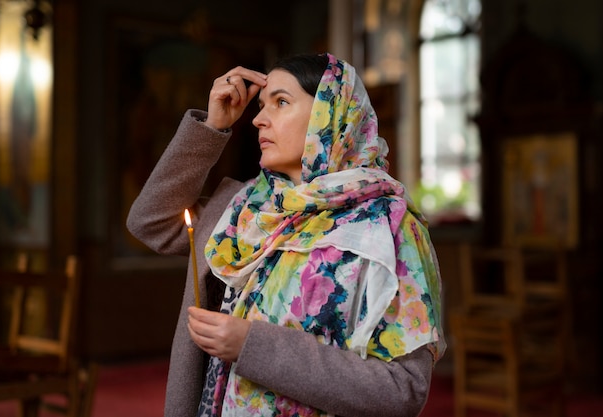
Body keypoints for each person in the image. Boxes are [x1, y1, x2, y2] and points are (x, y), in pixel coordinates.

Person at [127, 52, 445, 417]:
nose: (259, 120)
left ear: (331, 113)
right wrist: (212, 128)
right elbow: (150, 222)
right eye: (261, 107)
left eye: (280, 102)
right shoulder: (243, 209)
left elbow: (402, 388)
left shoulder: (388, 229)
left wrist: (253, 346)